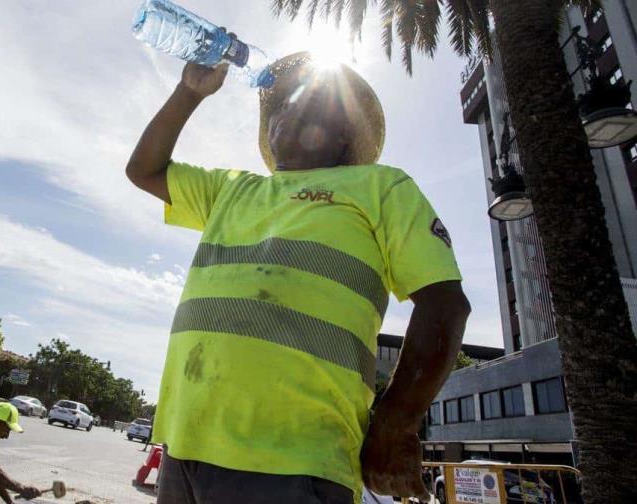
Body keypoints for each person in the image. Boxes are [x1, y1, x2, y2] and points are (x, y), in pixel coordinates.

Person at [125, 51, 471, 504]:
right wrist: (188, 94)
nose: (289, 109)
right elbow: (144, 170)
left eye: (310, 101)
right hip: (186, 448)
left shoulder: (381, 188)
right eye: (282, 105)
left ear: (344, 131)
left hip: (296, 459)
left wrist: (395, 422)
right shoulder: (231, 189)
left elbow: (444, 304)